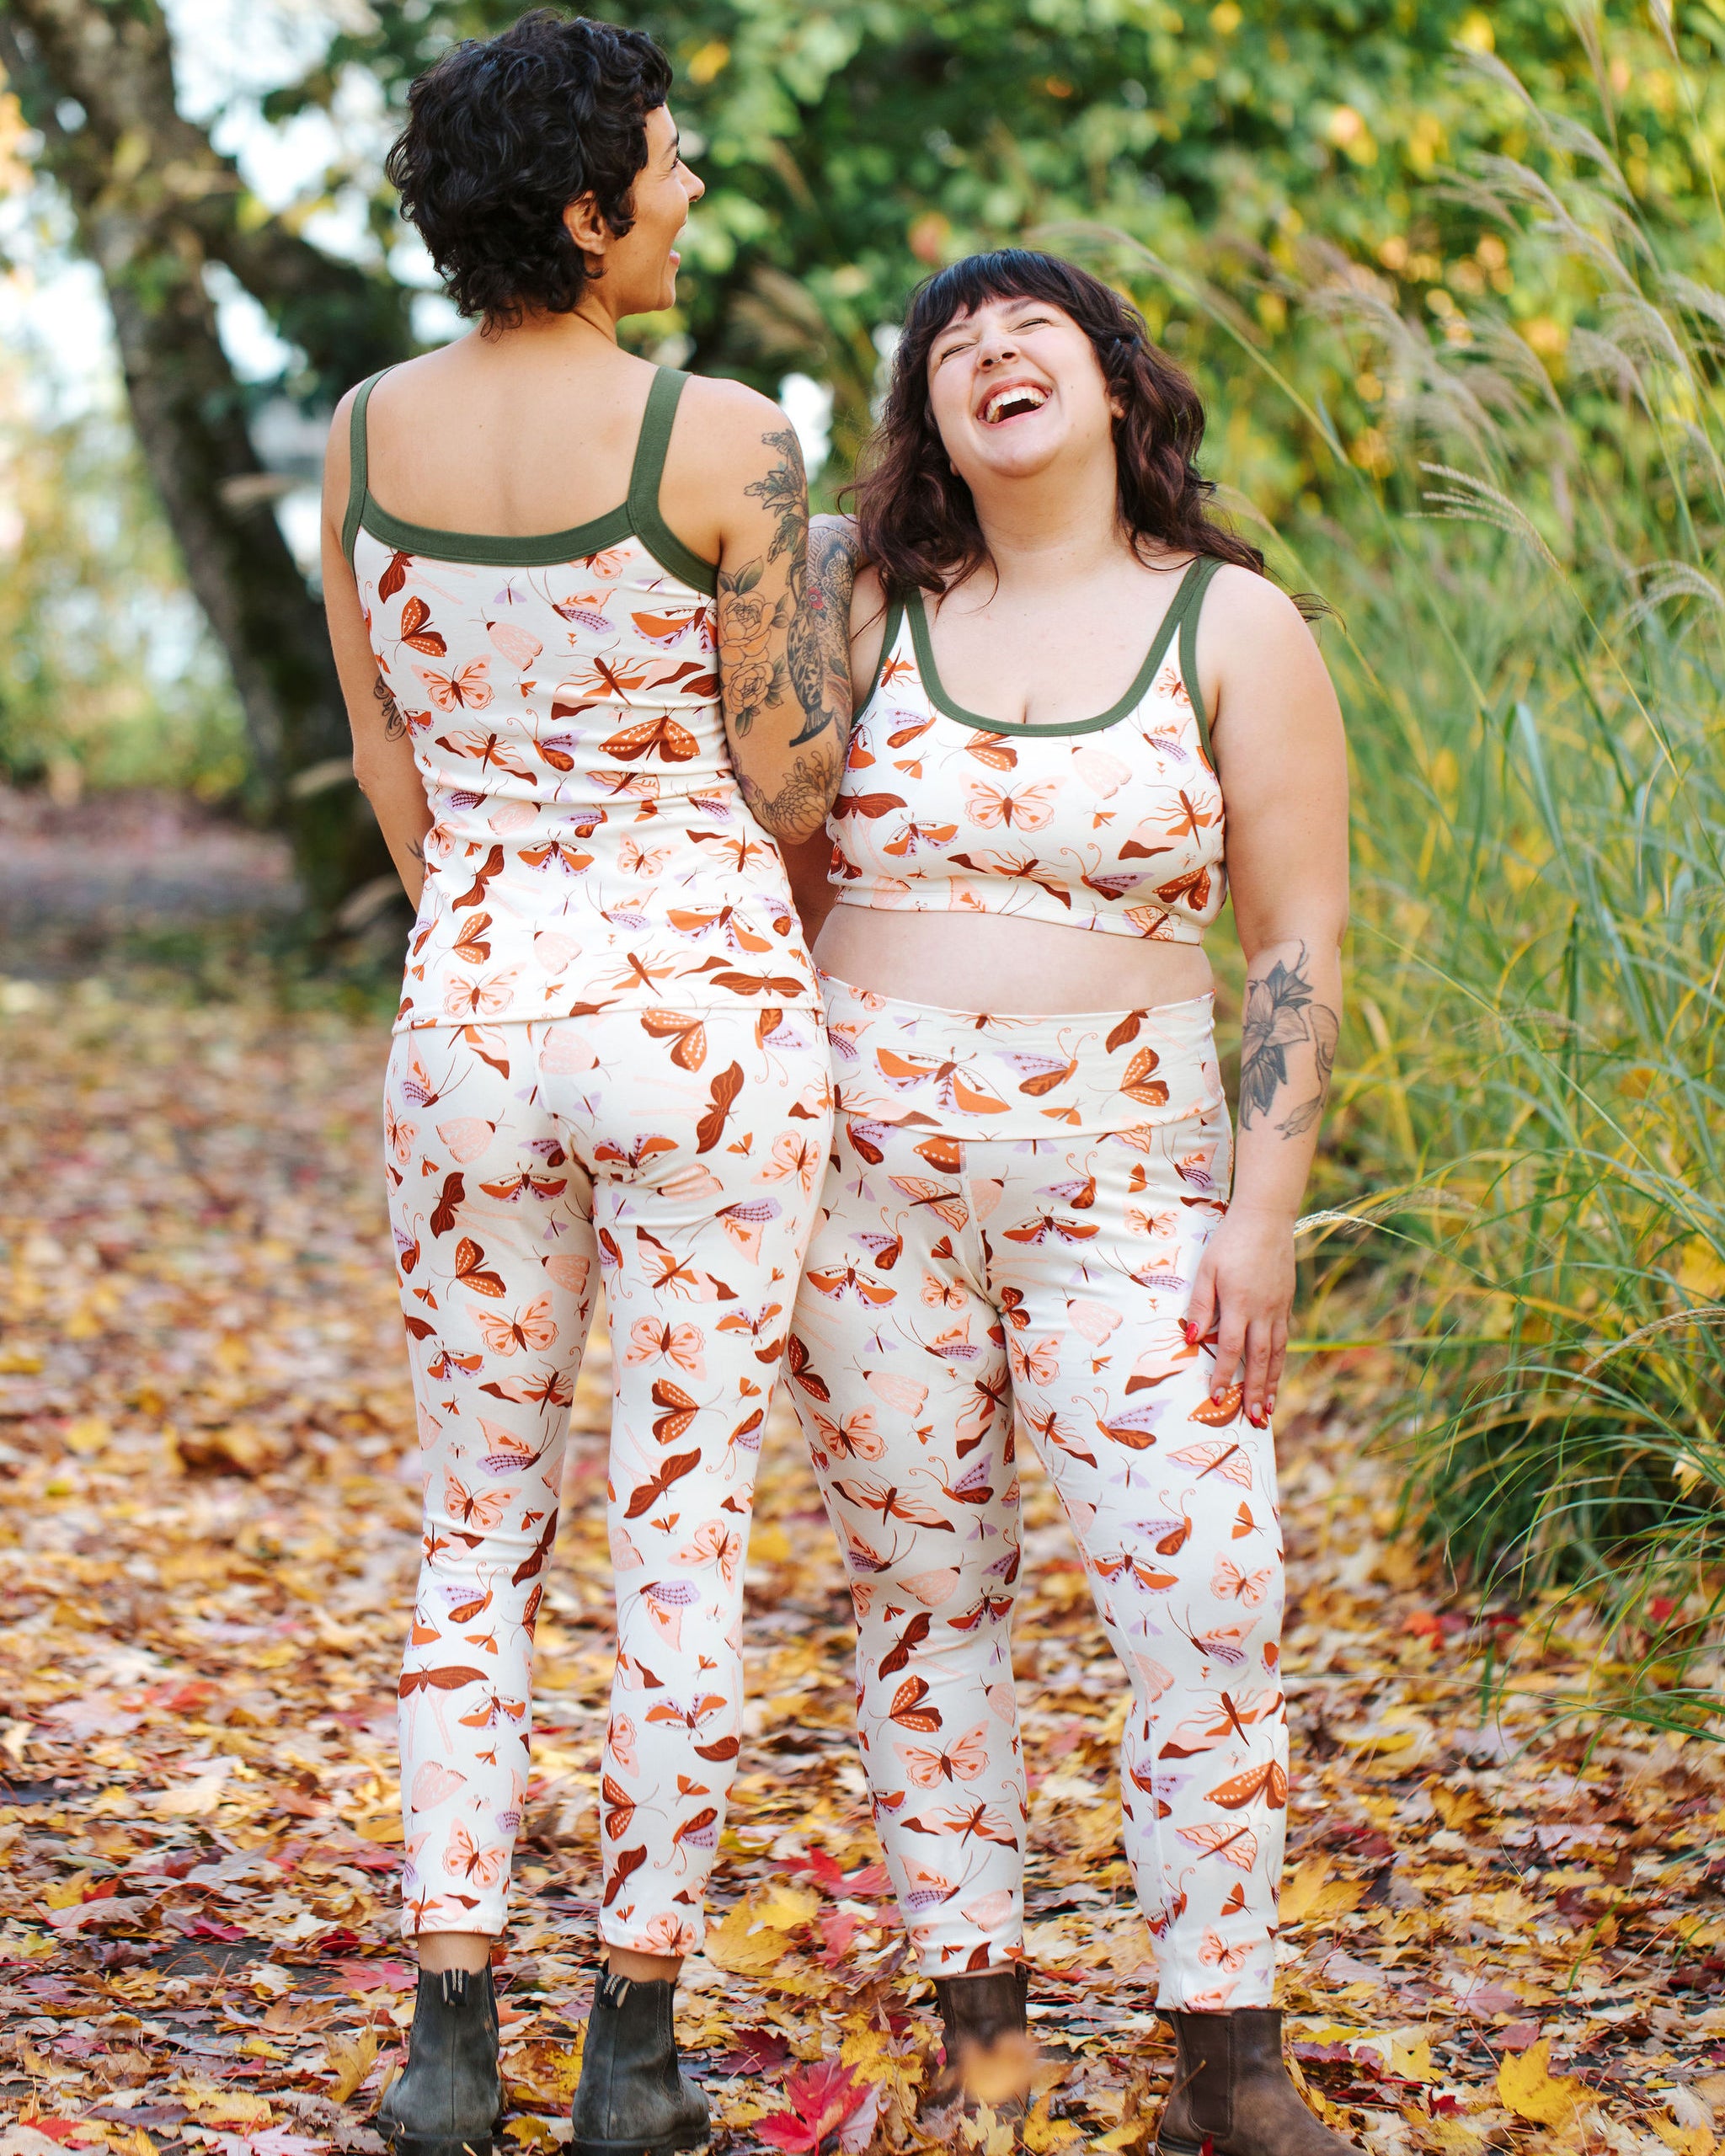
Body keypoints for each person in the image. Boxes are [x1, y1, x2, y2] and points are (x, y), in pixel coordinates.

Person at [318, 17, 852, 2156]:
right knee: (681, 1525)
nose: (693, 189)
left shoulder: (361, 433)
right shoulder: (728, 439)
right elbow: (793, 764)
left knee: (473, 1519)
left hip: (474, 1013)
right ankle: (633, 2047)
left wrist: (495, 917)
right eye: (668, 158)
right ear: (581, 206)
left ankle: (449, 2037)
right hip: (704, 1010)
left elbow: (385, 750)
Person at [782, 250, 1353, 2156]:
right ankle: (985, 2033)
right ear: (925, 420)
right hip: (870, 1183)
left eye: (1030, 325)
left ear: (1114, 381)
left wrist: (1257, 1216)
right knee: (922, 1589)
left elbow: (1293, 942)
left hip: (1133, 1182)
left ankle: (1227, 2052)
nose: (990, 349)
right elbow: (756, 863)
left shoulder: (1233, 621)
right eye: (949, 341)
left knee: (1202, 1587)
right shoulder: (860, 606)